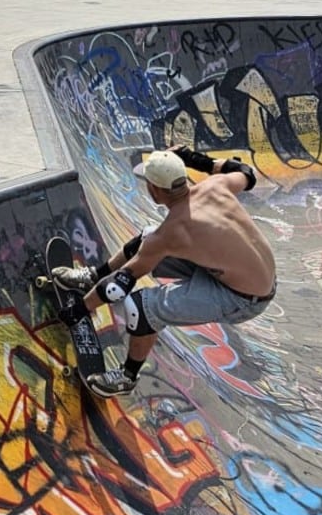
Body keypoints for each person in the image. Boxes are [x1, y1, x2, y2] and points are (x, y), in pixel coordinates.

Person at [53, 148, 277, 397]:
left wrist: (78, 312)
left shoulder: (173, 232)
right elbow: (246, 172)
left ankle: (127, 377)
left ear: (155, 190)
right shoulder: (216, 186)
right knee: (147, 238)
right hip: (255, 275)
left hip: (241, 298)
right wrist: (197, 160)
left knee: (143, 308)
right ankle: (93, 275)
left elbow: (116, 288)